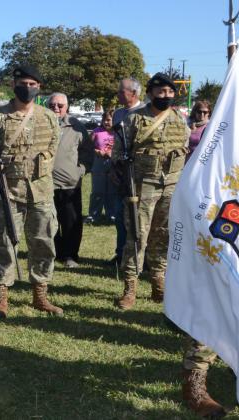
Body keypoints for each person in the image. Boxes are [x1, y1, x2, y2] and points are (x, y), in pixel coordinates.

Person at [0, 65, 63, 318]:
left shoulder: (48, 117)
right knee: (4, 242)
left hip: (40, 192)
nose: (28, 88)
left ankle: (40, 294)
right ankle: (1, 295)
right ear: (14, 85)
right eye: (23, 83)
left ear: (39, 88)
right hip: (7, 191)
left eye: (33, 84)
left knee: (43, 242)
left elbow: (52, 151)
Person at [112, 73, 190, 310]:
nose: (165, 96)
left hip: (171, 186)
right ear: (150, 94)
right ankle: (130, 289)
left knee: (163, 235)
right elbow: (117, 155)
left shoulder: (179, 119)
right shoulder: (134, 119)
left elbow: (185, 149)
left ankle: (159, 284)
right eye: (160, 92)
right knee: (137, 237)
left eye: (169, 92)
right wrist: (125, 183)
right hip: (142, 186)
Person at [47, 93, 93, 268]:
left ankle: (70, 255)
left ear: (67, 107)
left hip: (70, 183)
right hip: (45, 183)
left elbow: (88, 151)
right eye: (52, 105)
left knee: (71, 221)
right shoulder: (41, 124)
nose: (56, 108)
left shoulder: (76, 127)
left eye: (60, 105)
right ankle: (54, 252)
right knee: (48, 220)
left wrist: (79, 170)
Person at [109, 78, 146, 267]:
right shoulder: (118, 114)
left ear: (134, 93)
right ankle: (120, 253)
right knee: (119, 215)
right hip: (119, 173)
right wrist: (114, 167)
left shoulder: (145, 113)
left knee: (137, 218)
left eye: (121, 91)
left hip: (139, 174)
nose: (118, 94)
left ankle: (141, 257)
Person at [87, 111, 117, 223]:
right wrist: (98, 152)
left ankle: (112, 215)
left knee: (112, 192)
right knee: (97, 191)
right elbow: (88, 147)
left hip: (114, 165)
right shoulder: (96, 132)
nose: (106, 122)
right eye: (104, 119)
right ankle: (94, 216)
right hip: (99, 164)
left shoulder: (118, 132)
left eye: (109, 120)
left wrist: (113, 153)